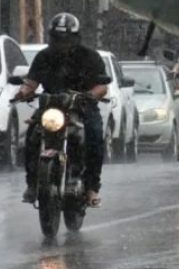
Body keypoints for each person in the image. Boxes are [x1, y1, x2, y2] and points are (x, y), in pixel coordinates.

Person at [13, 13, 109, 207]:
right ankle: (32, 184)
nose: (61, 44)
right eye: (57, 39)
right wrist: (22, 92)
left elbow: (102, 85)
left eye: (65, 39)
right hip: (51, 107)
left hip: (82, 107)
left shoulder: (90, 57)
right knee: (31, 136)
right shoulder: (44, 56)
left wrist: (91, 95)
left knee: (95, 135)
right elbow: (31, 82)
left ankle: (91, 188)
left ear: (75, 38)